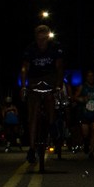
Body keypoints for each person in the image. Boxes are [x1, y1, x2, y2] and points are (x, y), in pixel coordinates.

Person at [18, 24, 65, 171]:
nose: (41, 38)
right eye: (39, 34)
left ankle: (51, 124)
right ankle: (32, 148)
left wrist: (58, 86)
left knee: (50, 97)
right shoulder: (30, 49)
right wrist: (24, 86)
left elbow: (59, 67)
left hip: (50, 77)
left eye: (44, 34)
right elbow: (25, 67)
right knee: (33, 113)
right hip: (35, 79)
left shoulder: (55, 47)